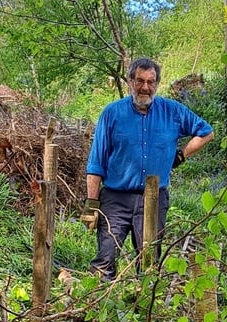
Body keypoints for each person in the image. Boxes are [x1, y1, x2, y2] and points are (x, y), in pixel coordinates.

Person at [81, 57, 214, 281]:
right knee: (104, 261)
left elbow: (206, 132)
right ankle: (95, 310)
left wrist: (181, 155)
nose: (145, 87)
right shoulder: (112, 114)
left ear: (157, 84)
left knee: (149, 263)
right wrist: (91, 204)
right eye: (140, 81)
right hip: (115, 199)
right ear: (130, 82)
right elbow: (96, 162)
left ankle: (145, 311)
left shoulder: (172, 112)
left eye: (151, 82)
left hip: (154, 200)